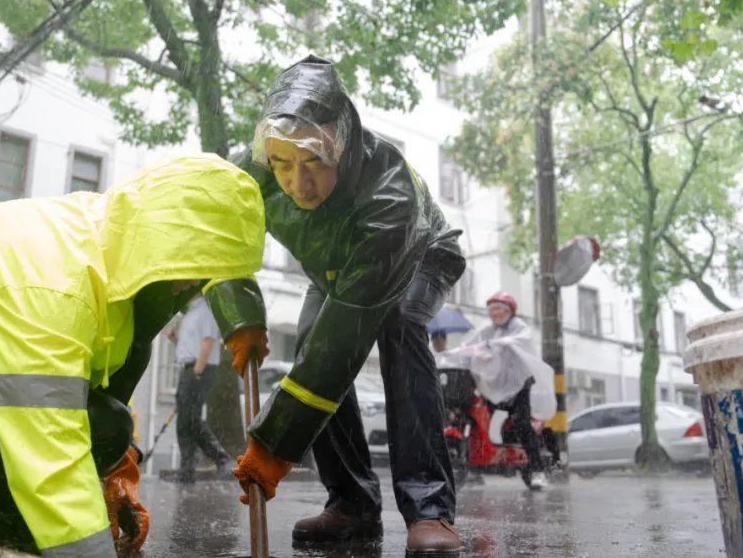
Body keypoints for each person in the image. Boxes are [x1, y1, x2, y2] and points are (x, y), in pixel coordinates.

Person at [0, 154, 267, 557]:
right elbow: (47, 446)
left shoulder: (111, 242)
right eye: (192, 271)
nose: (188, 287)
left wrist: (113, 476)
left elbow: (91, 395)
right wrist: (88, 547)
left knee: (107, 428)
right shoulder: (54, 284)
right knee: (87, 443)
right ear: (165, 244)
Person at [214, 55, 467, 555]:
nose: (298, 184)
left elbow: (344, 338)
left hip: (416, 252)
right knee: (311, 340)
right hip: (333, 271)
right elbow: (219, 239)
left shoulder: (387, 193)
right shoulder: (254, 170)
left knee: (396, 326)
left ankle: (430, 507)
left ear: (342, 146)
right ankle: (352, 504)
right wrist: (239, 316)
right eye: (284, 166)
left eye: (314, 165)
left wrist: (275, 441)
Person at [442, 292, 556, 490]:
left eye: (499, 309)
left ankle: (537, 471)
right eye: (492, 310)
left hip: (519, 384)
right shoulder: (488, 330)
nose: (495, 314)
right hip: (493, 385)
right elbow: (470, 345)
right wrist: (454, 354)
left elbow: (520, 340)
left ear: (510, 311)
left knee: (521, 422)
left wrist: (496, 345)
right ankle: (473, 462)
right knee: (474, 414)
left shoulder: (519, 327)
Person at [169, 295, 232, 482]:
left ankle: (221, 457)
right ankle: (186, 471)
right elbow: (191, 344)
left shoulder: (206, 310)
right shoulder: (190, 313)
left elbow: (208, 341)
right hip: (189, 368)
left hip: (199, 369)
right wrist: (175, 339)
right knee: (184, 422)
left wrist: (197, 370)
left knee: (191, 419)